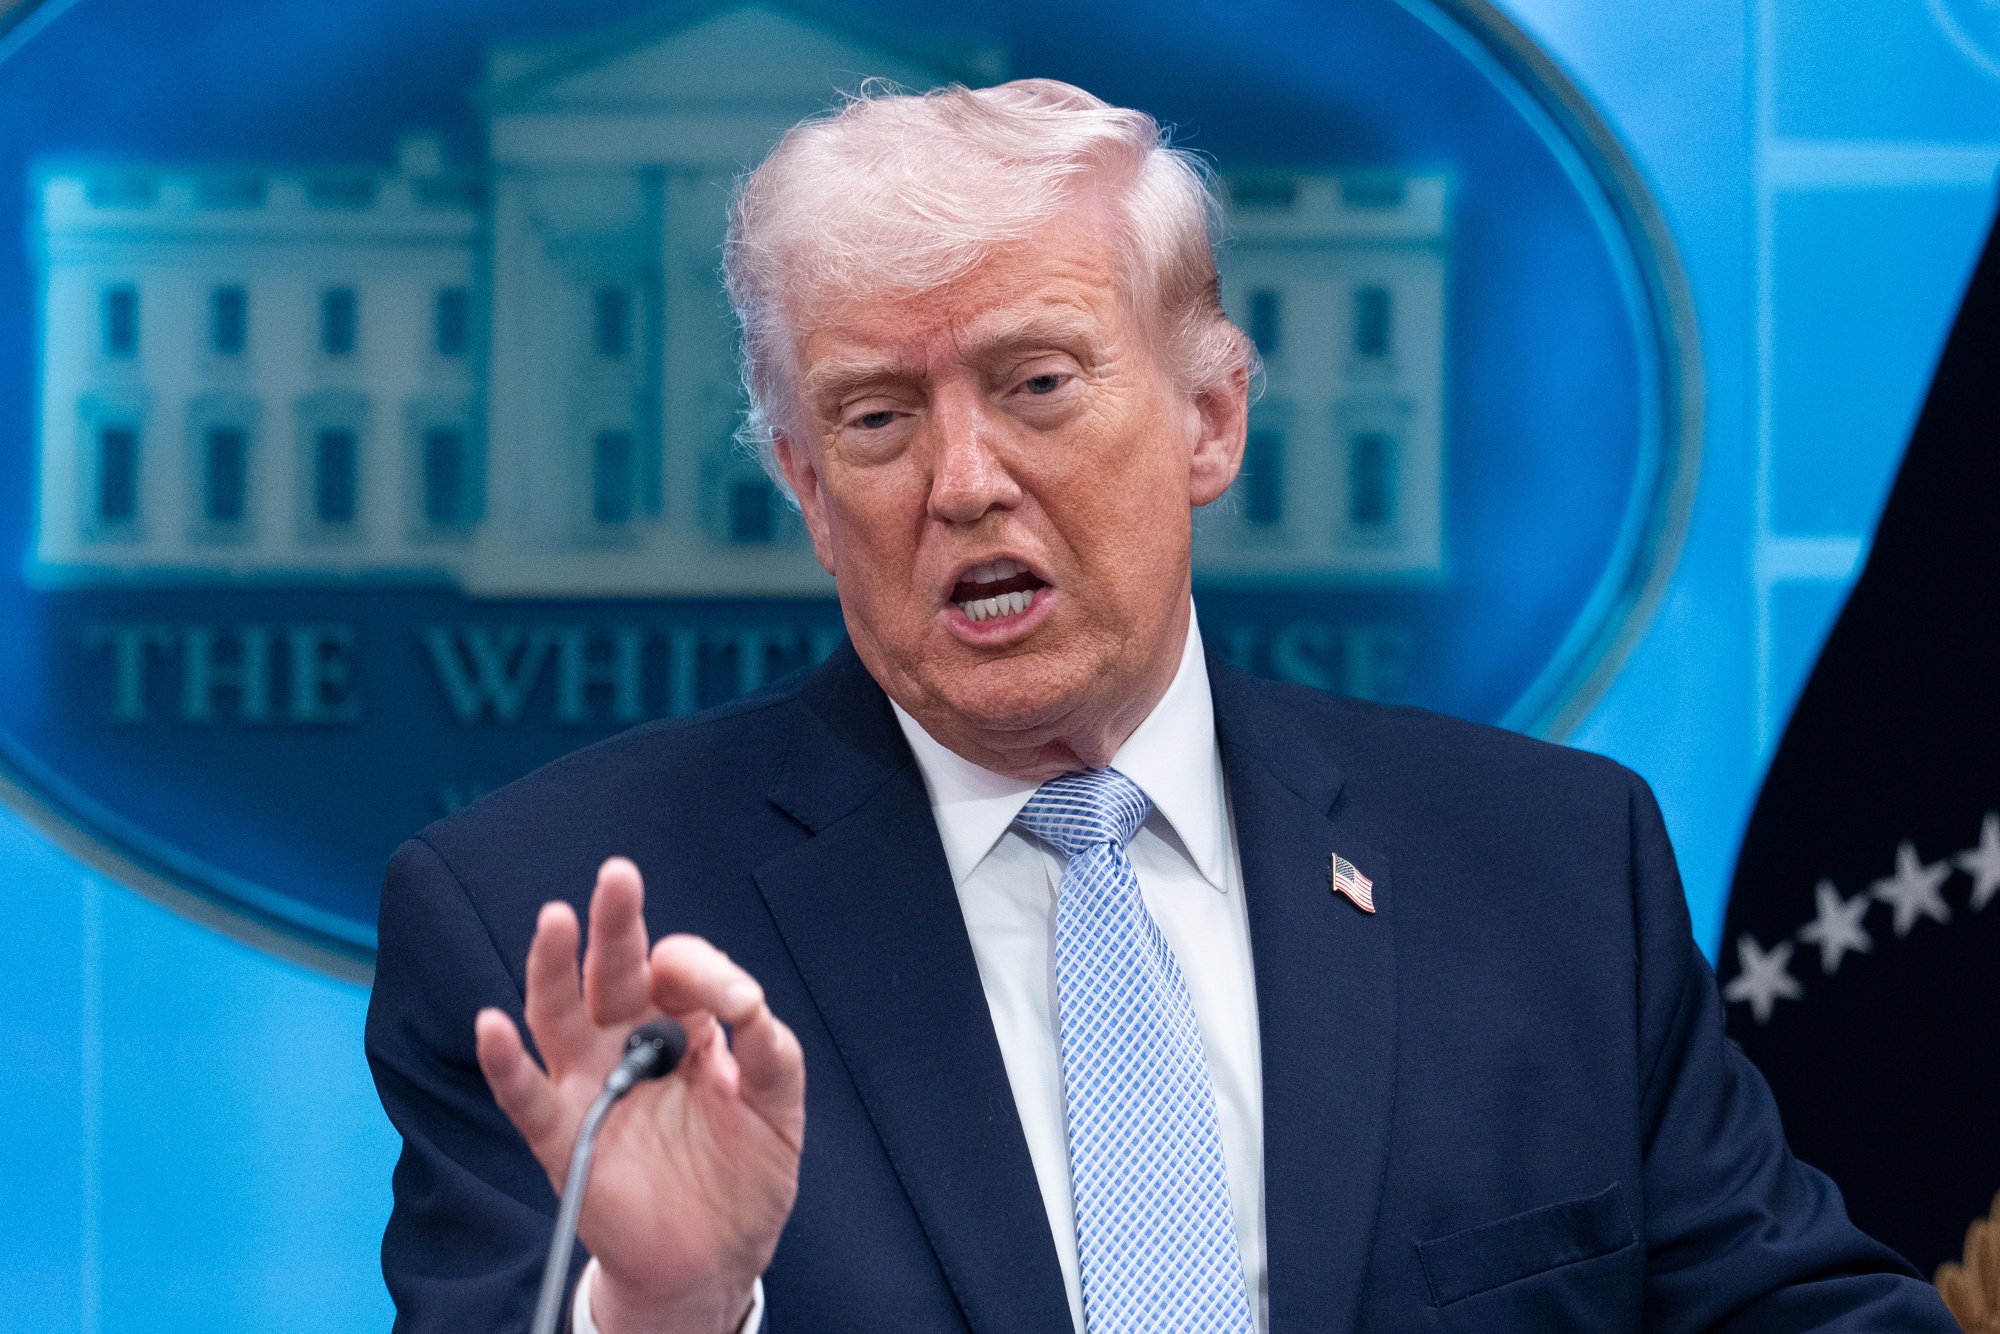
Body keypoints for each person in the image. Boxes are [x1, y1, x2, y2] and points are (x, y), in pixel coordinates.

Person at [365, 80, 1956, 1333]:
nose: (965, 481)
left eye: (1039, 382)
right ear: (803, 481)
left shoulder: (1549, 874)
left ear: (1209, 418)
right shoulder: (559, 942)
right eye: (875, 415)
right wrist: (659, 1310)